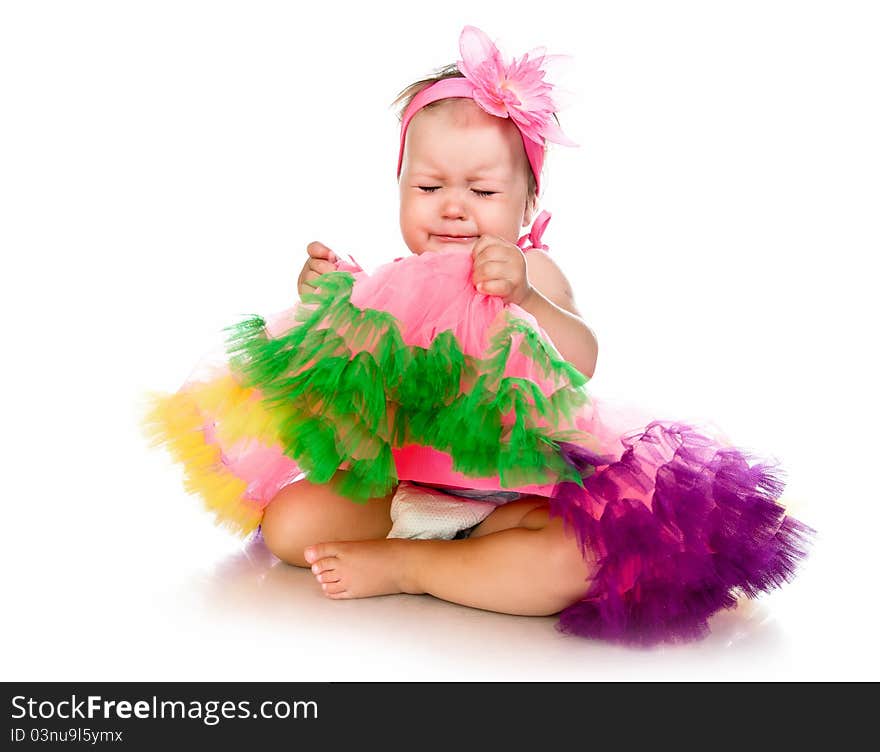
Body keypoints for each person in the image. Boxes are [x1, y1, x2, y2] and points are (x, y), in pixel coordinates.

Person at [145, 26, 812, 645]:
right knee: (289, 527)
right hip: (408, 488)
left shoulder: (532, 271)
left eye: (482, 191)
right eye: (429, 185)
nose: (454, 206)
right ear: (400, 189)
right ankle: (442, 551)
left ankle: (414, 568)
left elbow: (580, 362)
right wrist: (327, 296)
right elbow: (342, 373)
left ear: (527, 205)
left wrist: (524, 296)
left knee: (573, 561)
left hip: (520, 499)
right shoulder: (394, 284)